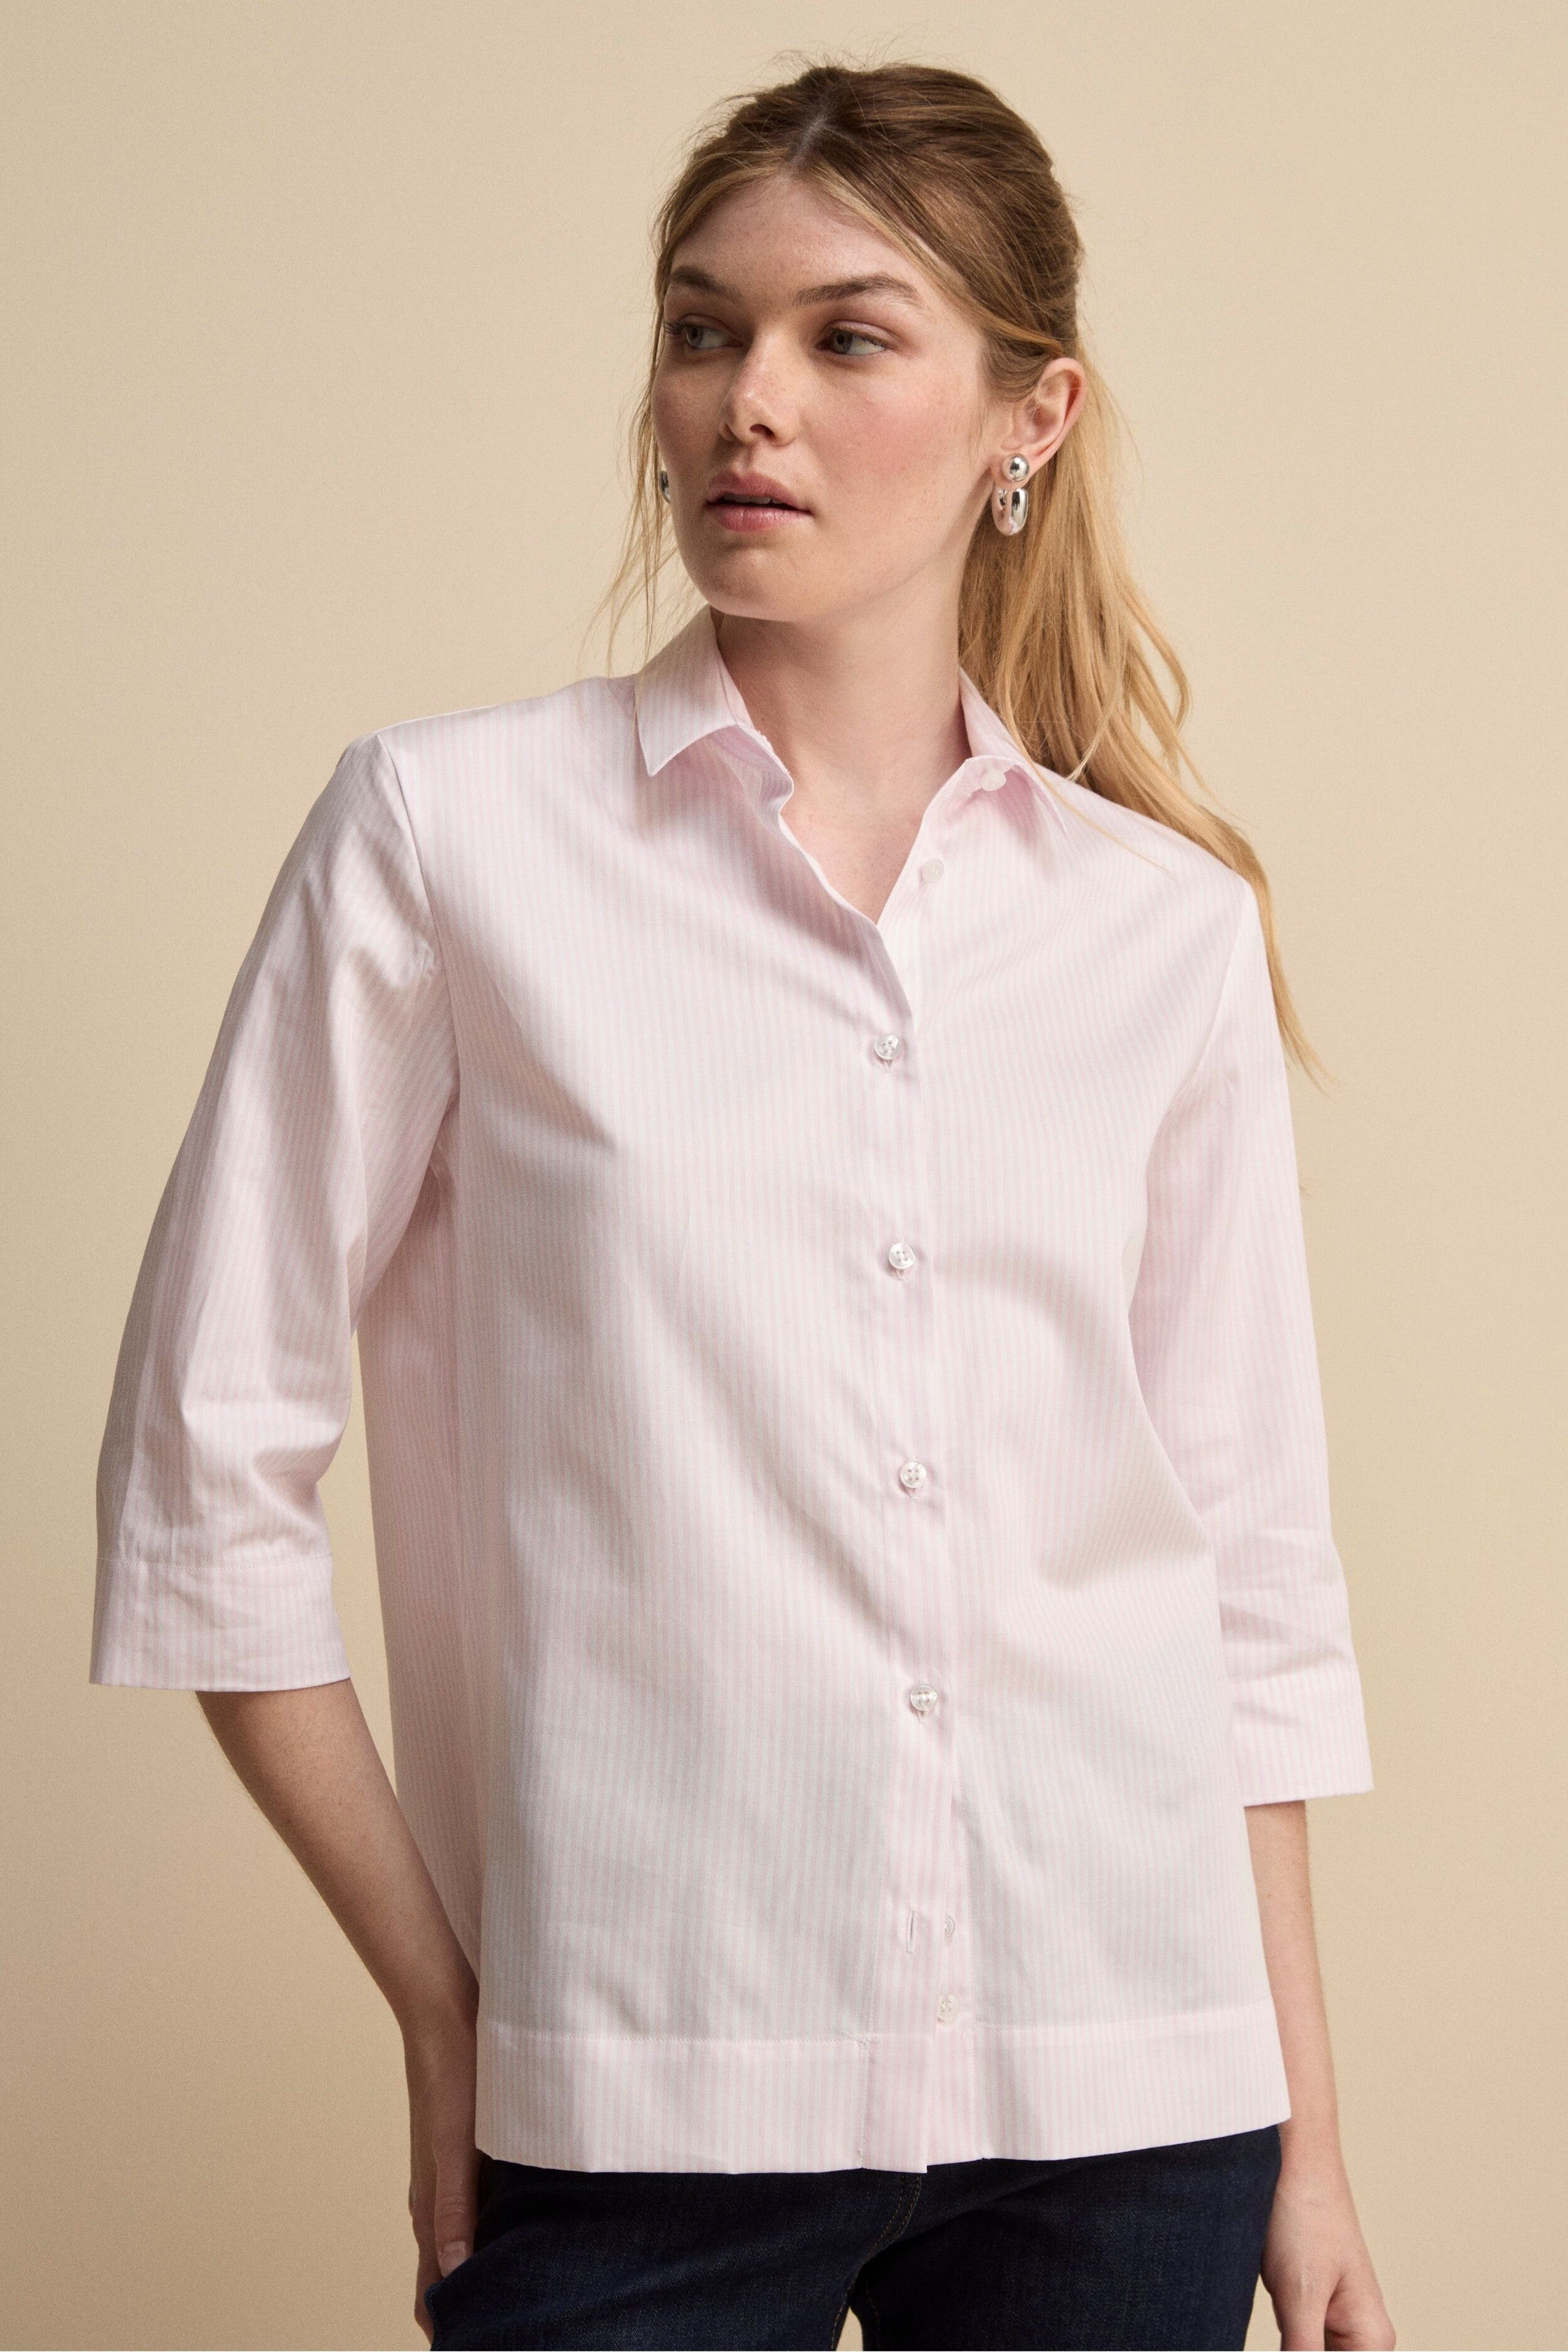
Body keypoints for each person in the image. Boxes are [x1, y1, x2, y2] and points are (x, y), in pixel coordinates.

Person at [90, 55, 1397, 2352]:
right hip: (637, 2095)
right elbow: (203, 1484)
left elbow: (1243, 1582)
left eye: (843, 336)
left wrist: (1303, 2139)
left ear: (1026, 418)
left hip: (1135, 2091)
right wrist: (444, 2008)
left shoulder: (1158, 931)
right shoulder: (448, 842)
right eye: (701, 331)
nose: (742, 403)